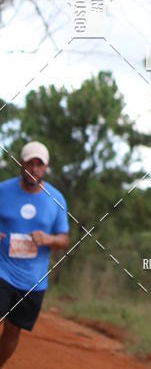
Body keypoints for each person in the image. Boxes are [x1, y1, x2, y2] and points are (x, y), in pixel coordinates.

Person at [0, 141, 69, 365]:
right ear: (22, 163)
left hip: (32, 282)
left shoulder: (56, 199)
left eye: (40, 165)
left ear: (46, 167)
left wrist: (48, 239)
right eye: (31, 163)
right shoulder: (3, 190)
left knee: (13, 330)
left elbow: (64, 239)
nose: (35, 169)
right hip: (2, 271)